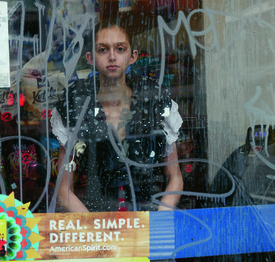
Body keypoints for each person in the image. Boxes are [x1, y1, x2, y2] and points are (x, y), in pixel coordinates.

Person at [51, 22, 184, 212]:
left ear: (133, 56)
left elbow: (175, 177)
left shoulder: (155, 100)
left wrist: (159, 218)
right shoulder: (75, 105)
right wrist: (95, 230)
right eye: (103, 50)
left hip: (148, 219)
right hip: (95, 223)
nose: (112, 57)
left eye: (120, 49)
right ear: (90, 58)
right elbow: (64, 191)